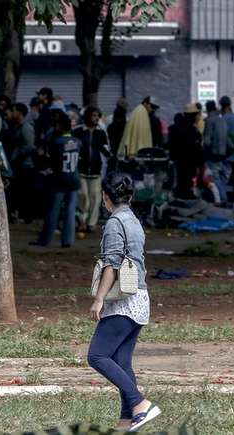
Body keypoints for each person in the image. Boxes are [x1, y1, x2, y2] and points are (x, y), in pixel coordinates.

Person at [88, 172, 158, 432]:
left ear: (106, 197)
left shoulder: (115, 222)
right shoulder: (134, 221)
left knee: (97, 355)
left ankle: (140, 404)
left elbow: (112, 264)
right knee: (122, 361)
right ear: (130, 195)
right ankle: (126, 421)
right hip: (140, 296)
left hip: (123, 301)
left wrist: (99, 299)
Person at [31, 115, 81, 248]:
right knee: (70, 210)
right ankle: (68, 240)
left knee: (53, 210)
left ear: (60, 126)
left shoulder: (57, 143)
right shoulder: (77, 141)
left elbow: (51, 162)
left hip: (59, 180)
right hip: (74, 179)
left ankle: (45, 239)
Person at [74, 106, 111, 233]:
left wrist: (110, 155)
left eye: (97, 116)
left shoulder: (101, 133)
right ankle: (82, 220)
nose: (96, 119)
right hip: (81, 169)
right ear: (87, 117)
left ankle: (91, 223)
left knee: (95, 197)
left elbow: (106, 149)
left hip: (96, 170)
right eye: (93, 116)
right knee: (83, 196)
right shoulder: (78, 131)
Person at [7, 103, 37, 223]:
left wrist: (17, 156)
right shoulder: (17, 126)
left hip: (25, 164)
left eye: (14, 111)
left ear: (19, 113)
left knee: (24, 191)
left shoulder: (26, 127)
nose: (12, 113)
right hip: (20, 164)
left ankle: (27, 215)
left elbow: (29, 145)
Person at [169, 105, 204, 199]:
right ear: (193, 115)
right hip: (189, 160)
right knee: (187, 179)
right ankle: (186, 195)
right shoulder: (192, 130)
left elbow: (170, 145)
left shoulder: (174, 128)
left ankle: (181, 194)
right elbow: (196, 147)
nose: (198, 117)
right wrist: (200, 162)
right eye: (197, 115)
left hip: (178, 159)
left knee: (181, 178)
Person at [202, 100, 230, 204]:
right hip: (223, 152)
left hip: (213, 154)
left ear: (208, 109)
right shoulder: (221, 119)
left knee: (214, 177)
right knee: (220, 176)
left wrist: (203, 150)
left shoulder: (210, 121)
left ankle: (222, 198)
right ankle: (222, 197)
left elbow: (207, 140)